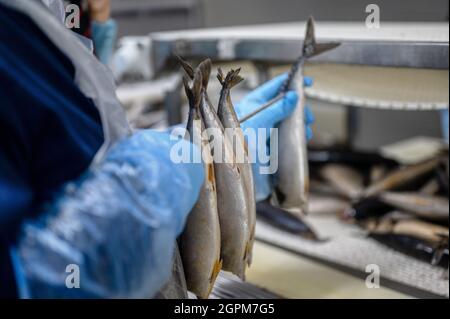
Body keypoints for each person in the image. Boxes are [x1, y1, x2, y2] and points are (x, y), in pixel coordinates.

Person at [0, 0, 314, 298]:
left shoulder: (36, 22)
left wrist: (215, 173)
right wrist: (143, 196)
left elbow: (72, 161)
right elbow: (27, 275)